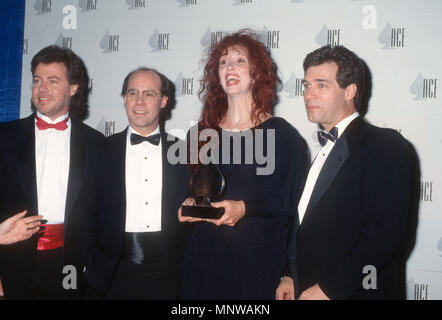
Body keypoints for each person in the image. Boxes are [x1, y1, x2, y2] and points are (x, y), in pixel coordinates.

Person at [276, 45, 419, 300]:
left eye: (321, 85)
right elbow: (305, 226)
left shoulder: (386, 146)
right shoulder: (322, 152)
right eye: (306, 85)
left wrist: (331, 289)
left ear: (350, 91)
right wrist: (289, 274)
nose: (309, 94)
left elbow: (386, 235)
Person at [178, 29, 308, 299]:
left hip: (257, 263)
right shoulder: (198, 134)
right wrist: (187, 206)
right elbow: (187, 192)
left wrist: (289, 273)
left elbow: (291, 208)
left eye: (239, 60)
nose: (229, 67)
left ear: (257, 73)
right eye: (223, 62)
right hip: (203, 260)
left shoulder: (283, 136)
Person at [0, 45, 104, 299]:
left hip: (70, 264)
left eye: (53, 81)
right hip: (10, 260)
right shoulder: (3, 136)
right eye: (37, 80)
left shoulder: (96, 143)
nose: (42, 89)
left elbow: (101, 214)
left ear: (73, 88)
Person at [76, 67, 189, 299]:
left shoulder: (184, 153)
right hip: (110, 276)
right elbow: (83, 215)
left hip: (169, 275)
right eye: (132, 93)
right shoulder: (99, 151)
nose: (139, 102)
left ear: (164, 100)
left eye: (149, 94)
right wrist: (89, 265)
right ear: (124, 99)